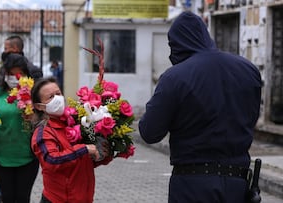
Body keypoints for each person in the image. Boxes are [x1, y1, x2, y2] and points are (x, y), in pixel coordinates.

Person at [139, 11, 262, 203]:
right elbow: (252, 117)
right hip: (238, 186)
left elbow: (149, 132)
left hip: (192, 185)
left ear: (178, 44)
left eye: (172, 46)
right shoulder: (248, 70)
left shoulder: (175, 77)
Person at [30, 77, 112, 203]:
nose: (57, 98)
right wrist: (84, 149)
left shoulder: (73, 123)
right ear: (39, 106)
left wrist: (101, 154)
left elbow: (79, 161)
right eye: (50, 97)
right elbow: (52, 160)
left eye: (58, 93)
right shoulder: (43, 132)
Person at [0, 53, 39, 203]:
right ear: (4, 74)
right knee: (6, 198)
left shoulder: (35, 94)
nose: (14, 78)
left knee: (22, 198)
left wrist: (35, 118)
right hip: (1, 159)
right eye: (10, 74)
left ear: (26, 74)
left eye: (18, 74)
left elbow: (46, 120)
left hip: (27, 158)